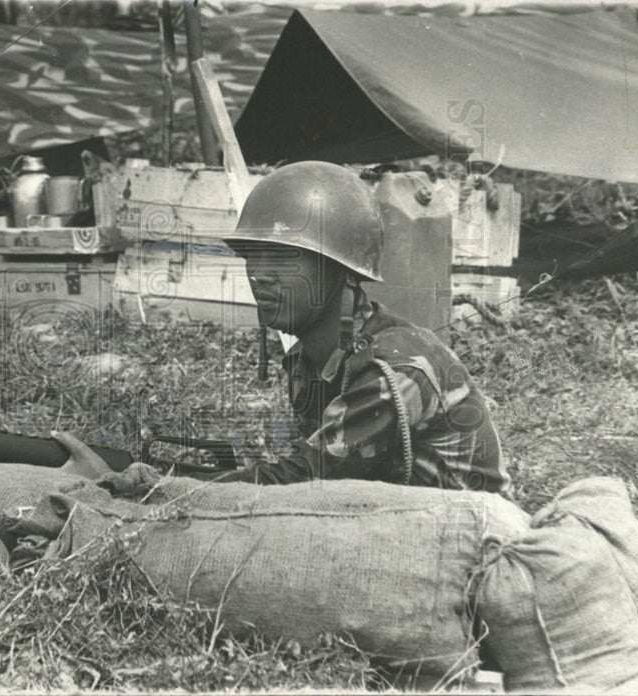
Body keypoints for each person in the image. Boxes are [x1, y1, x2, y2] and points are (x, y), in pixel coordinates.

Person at [57, 162, 510, 493]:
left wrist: (173, 488)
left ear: (339, 270)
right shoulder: (309, 358)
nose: (260, 275)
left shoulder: (392, 371)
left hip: (467, 540)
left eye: (284, 258)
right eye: (255, 257)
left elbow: (305, 483)